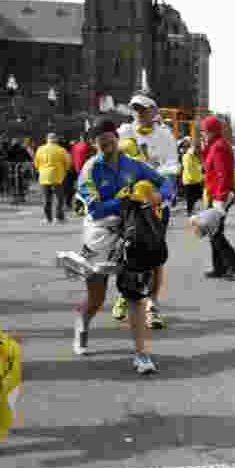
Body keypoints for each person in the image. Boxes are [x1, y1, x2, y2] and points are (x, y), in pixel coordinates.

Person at [73, 117, 165, 374]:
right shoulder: (90, 169)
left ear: (116, 138)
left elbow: (164, 182)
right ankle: (83, 322)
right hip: (98, 235)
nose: (106, 144)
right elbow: (95, 209)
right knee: (96, 298)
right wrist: (123, 200)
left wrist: (158, 195)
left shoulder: (133, 165)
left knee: (134, 296)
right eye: (100, 141)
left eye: (109, 139)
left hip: (129, 234)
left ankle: (141, 354)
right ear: (94, 144)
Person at [118, 93, 179, 330]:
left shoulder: (165, 136)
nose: (139, 113)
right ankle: (125, 296)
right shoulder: (124, 132)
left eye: (143, 109)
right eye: (135, 109)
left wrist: (161, 188)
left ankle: (152, 305)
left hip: (154, 204)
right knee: (124, 251)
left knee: (154, 256)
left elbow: (173, 166)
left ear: (154, 111)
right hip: (128, 202)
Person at [200, 115, 235, 279]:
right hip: (217, 193)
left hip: (220, 194)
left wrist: (220, 198)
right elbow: (207, 163)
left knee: (215, 231)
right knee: (214, 231)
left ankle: (233, 263)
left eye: (204, 131)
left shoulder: (219, 147)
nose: (202, 134)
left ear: (212, 131)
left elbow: (223, 174)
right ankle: (220, 267)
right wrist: (204, 147)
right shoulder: (215, 145)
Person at [35, 132, 72, 224]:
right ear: (56, 139)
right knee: (59, 198)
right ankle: (59, 218)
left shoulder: (40, 149)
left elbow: (36, 163)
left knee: (46, 199)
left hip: (43, 176)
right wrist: (65, 170)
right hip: (57, 176)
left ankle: (48, 218)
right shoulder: (61, 150)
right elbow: (67, 163)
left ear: (47, 139)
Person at [181, 138, 205, 216]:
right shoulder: (187, 156)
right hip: (189, 181)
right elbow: (188, 169)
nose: (199, 150)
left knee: (196, 196)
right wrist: (198, 178)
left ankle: (191, 211)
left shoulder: (197, 157)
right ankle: (189, 211)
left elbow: (200, 167)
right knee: (190, 198)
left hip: (197, 180)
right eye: (198, 148)